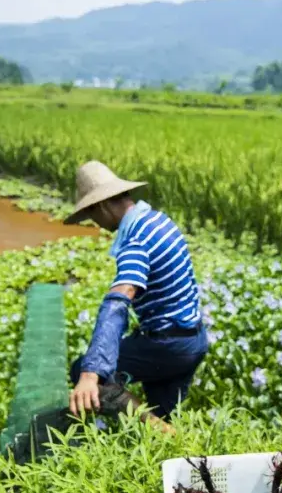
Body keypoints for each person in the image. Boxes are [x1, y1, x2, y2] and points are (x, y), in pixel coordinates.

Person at [64, 160, 208, 421]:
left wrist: (90, 373)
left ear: (103, 205)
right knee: (162, 413)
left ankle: (165, 434)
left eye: (91, 214)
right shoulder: (156, 220)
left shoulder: (135, 241)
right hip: (193, 340)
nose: (94, 222)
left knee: (86, 373)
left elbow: (120, 296)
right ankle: (165, 433)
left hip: (168, 345)